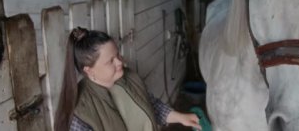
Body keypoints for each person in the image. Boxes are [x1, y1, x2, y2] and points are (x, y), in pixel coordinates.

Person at [54, 27, 201, 131]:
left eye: (117, 55)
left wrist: (181, 117)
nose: (120, 62)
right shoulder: (80, 112)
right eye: (110, 61)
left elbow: (150, 104)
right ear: (89, 70)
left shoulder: (129, 77)